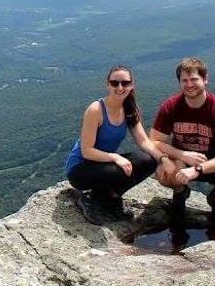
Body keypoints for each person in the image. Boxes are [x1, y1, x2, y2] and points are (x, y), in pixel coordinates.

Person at [149, 57, 215, 233]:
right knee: (162, 171)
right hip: (183, 162)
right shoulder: (171, 106)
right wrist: (181, 155)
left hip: (213, 165)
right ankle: (180, 193)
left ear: (205, 79)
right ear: (179, 83)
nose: (189, 84)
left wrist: (198, 169)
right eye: (184, 80)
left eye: (194, 79)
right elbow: (154, 142)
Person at [66, 65, 169, 224]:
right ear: (107, 84)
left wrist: (163, 160)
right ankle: (89, 199)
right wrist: (115, 157)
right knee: (119, 169)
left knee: (148, 160)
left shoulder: (128, 109)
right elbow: (86, 151)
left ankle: (110, 196)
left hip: (103, 165)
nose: (120, 87)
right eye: (115, 83)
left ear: (131, 85)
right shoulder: (96, 110)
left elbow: (144, 142)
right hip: (80, 170)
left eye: (125, 83)